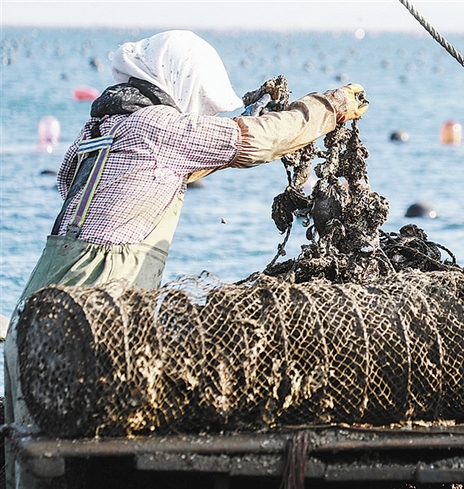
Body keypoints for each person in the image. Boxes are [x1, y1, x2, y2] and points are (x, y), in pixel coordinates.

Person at [4, 29, 368, 489]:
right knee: (77, 462)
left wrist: (218, 145)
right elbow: (254, 141)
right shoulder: (157, 126)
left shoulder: (101, 129)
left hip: (35, 309)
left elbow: (163, 165)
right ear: (180, 83)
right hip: (86, 316)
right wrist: (328, 108)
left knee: (28, 461)